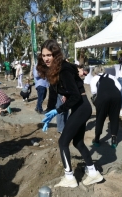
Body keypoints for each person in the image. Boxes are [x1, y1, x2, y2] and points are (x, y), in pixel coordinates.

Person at [38, 39, 103, 188]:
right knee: (78, 142)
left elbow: (75, 96)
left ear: (56, 55)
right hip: (78, 107)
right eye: (43, 55)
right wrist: (49, 113)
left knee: (62, 142)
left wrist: (58, 110)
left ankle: (69, 177)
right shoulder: (52, 70)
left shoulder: (64, 69)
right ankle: (93, 173)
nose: (46, 58)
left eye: (49, 55)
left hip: (82, 107)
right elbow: (53, 93)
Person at [90, 65, 121, 148]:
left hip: (103, 98)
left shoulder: (95, 78)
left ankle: (97, 139)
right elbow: (120, 87)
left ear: (95, 72)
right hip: (116, 97)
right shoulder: (111, 76)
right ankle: (114, 140)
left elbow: (93, 91)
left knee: (100, 118)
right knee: (114, 118)